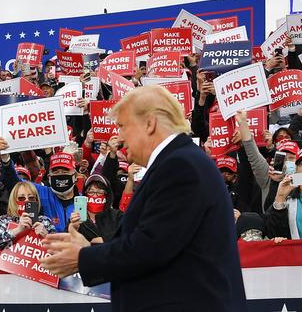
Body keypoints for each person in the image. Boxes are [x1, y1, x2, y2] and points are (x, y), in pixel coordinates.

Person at [39, 85, 247, 312]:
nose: (118, 136)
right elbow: (160, 241)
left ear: (149, 124)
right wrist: (89, 249)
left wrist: (84, 257)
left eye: (123, 126)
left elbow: (151, 246)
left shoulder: (181, 166)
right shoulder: (180, 161)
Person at [0, 141, 78, 232]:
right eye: (55, 172)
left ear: (75, 176)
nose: (60, 175)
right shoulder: (42, 193)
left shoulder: (83, 201)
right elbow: (15, 182)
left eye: (65, 171)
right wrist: (5, 159)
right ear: (49, 177)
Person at [0, 182, 55, 253]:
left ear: (36, 201)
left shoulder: (44, 221)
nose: (27, 201)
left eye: (31, 198)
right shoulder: (5, 220)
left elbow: (59, 251)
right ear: (14, 201)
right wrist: (17, 230)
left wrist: (46, 236)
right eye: (21, 198)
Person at [69, 174, 122, 244]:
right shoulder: (77, 217)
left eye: (100, 192)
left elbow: (127, 237)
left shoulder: (117, 216)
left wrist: (105, 240)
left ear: (107, 195)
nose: (94, 195)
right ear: (85, 194)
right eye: (90, 191)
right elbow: (65, 244)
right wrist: (73, 228)